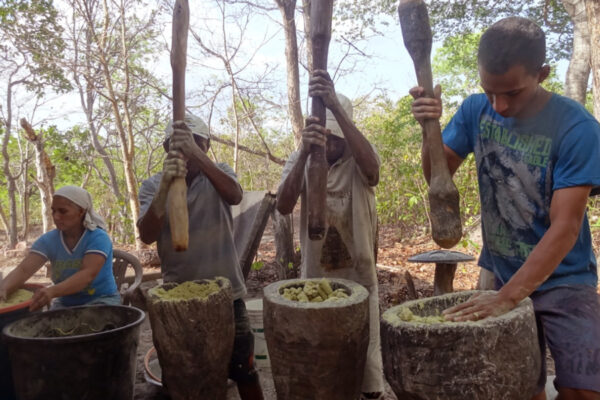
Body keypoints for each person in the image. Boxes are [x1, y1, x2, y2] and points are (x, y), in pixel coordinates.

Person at [410, 17, 600, 400]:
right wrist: (429, 129)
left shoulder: (576, 127)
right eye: (490, 91)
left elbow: (565, 227)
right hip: (499, 272)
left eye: (513, 92)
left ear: (542, 74)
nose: (500, 105)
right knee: (514, 387)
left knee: (584, 391)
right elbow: (438, 178)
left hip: (567, 280)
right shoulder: (475, 111)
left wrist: (509, 297)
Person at [137, 113, 264, 400]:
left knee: (244, 368)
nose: (182, 153)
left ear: (205, 146)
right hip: (176, 298)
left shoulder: (218, 173)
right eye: (174, 146)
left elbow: (234, 195)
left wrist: (197, 156)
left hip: (226, 294)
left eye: (191, 146)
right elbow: (146, 234)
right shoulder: (153, 185)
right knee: (183, 371)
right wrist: (166, 186)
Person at [276, 70, 384, 400]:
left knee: (366, 364)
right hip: (316, 280)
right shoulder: (303, 157)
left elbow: (374, 173)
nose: (332, 143)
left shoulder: (359, 155)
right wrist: (307, 153)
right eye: (327, 137)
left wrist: (335, 106)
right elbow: (283, 204)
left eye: (336, 137)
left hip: (360, 278)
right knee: (322, 361)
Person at [0, 186, 120, 311]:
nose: (56, 216)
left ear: (81, 211)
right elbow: (24, 270)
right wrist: (3, 288)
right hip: (65, 303)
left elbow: (87, 274)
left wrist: (51, 291)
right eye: (53, 211)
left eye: (63, 211)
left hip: (102, 300)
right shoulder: (48, 240)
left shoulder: (98, 238)